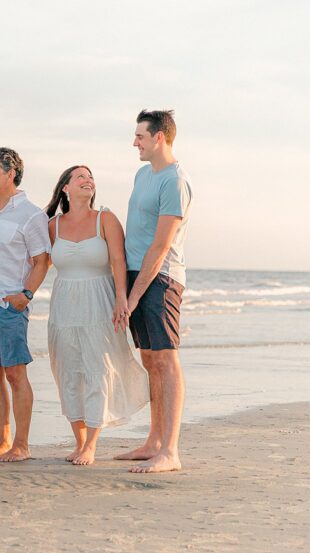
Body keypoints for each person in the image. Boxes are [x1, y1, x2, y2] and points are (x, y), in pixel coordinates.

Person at [44, 165, 150, 465]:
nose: (87, 181)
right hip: (63, 305)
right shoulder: (53, 226)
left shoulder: (106, 218)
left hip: (100, 302)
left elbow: (119, 260)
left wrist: (121, 300)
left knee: (97, 370)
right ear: (65, 187)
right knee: (68, 372)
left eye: (90, 177)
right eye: (80, 177)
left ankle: (91, 443)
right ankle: (78, 441)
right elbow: (39, 264)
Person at [114, 109, 193, 474]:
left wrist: (131, 298)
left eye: (140, 136)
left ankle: (171, 451)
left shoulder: (174, 181)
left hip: (160, 279)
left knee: (165, 359)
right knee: (149, 360)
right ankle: (154, 442)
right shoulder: (143, 174)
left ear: (159, 137)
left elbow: (160, 247)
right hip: (135, 275)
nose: (135, 143)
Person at [0, 147, 51, 463]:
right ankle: (1, 440)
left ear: (9, 174)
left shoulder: (31, 214)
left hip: (7, 304)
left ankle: (22, 445)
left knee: (15, 374)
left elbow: (42, 261)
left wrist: (26, 295)